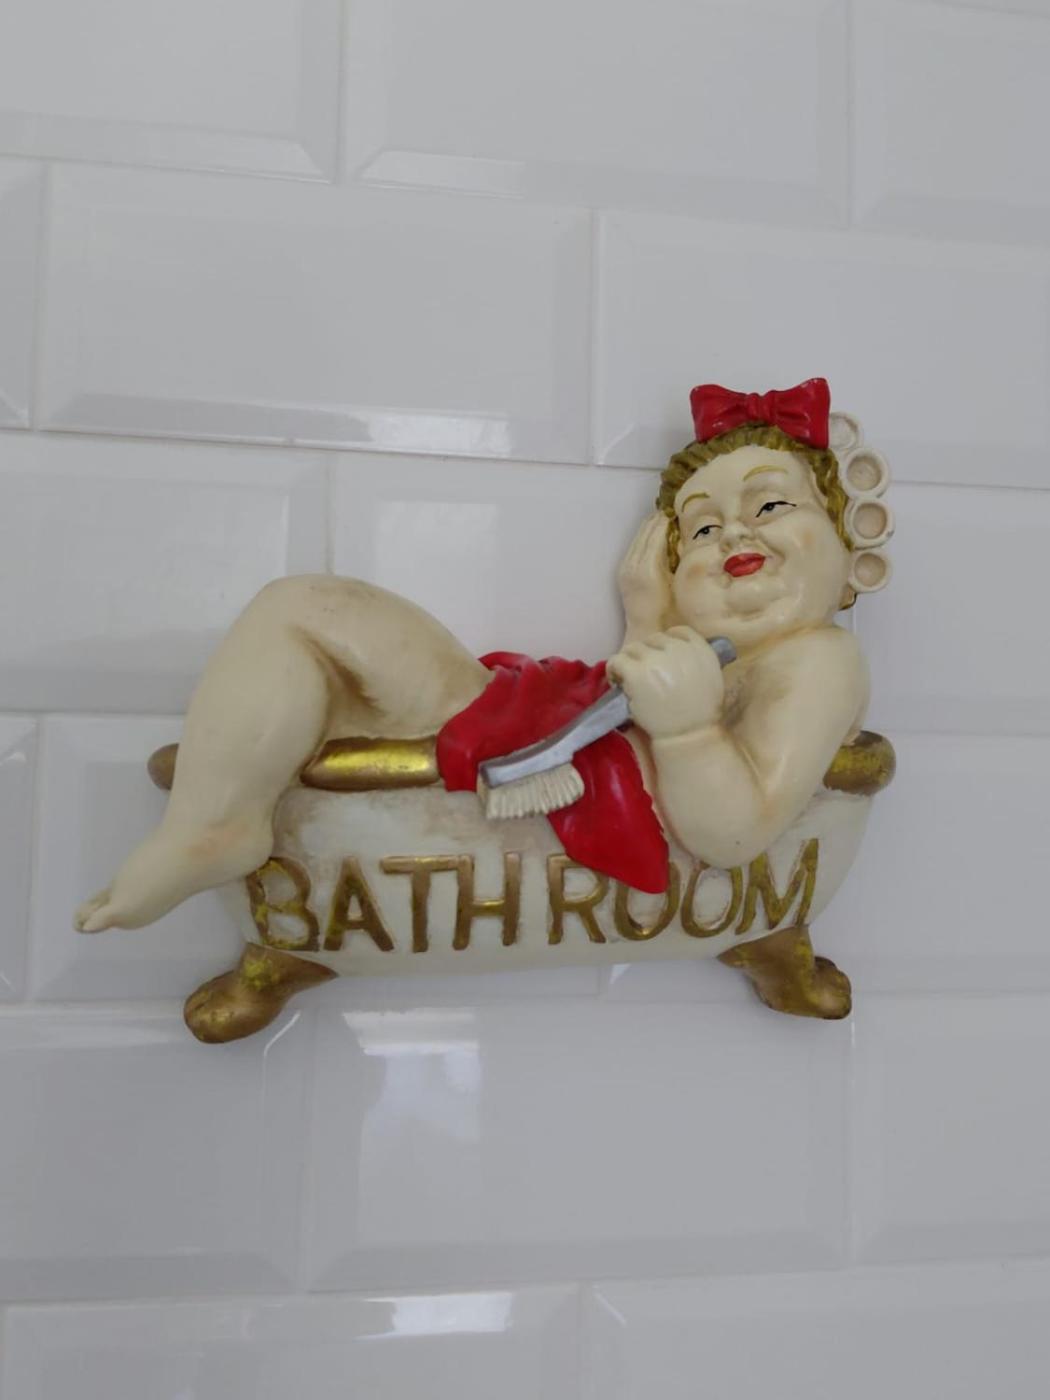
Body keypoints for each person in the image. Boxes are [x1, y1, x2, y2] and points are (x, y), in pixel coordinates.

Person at [75, 378, 872, 960]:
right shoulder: (716, 654)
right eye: (699, 530)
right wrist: (648, 619)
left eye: (772, 506)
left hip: (532, 730)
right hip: (532, 712)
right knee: (303, 618)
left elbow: (734, 834)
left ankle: (216, 825)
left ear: (852, 552)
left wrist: (692, 730)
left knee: (304, 609)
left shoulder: (818, 656)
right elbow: (638, 700)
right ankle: (215, 821)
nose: (734, 535)